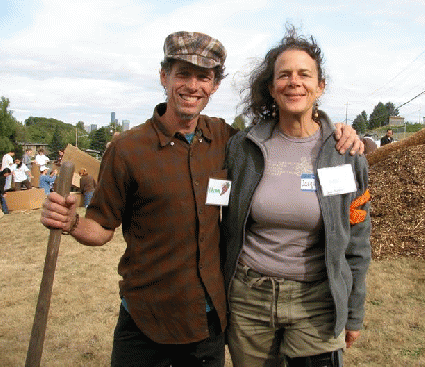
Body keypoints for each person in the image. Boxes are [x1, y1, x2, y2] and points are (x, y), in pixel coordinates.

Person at [40, 31, 363, 367]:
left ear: (214, 85)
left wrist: (337, 132)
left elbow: (285, 142)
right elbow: (101, 227)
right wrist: (72, 222)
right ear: (164, 77)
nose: (192, 86)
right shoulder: (128, 150)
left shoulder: (226, 140)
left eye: (203, 77)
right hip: (145, 318)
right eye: (182, 74)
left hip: (206, 322)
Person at [221, 27, 371, 367]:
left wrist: (354, 310)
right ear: (272, 88)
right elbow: (219, 213)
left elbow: (358, 240)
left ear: (320, 86)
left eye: (305, 74)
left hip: (317, 302)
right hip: (249, 301)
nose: (294, 82)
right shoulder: (243, 150)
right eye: (284, 75)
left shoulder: (345, 153)